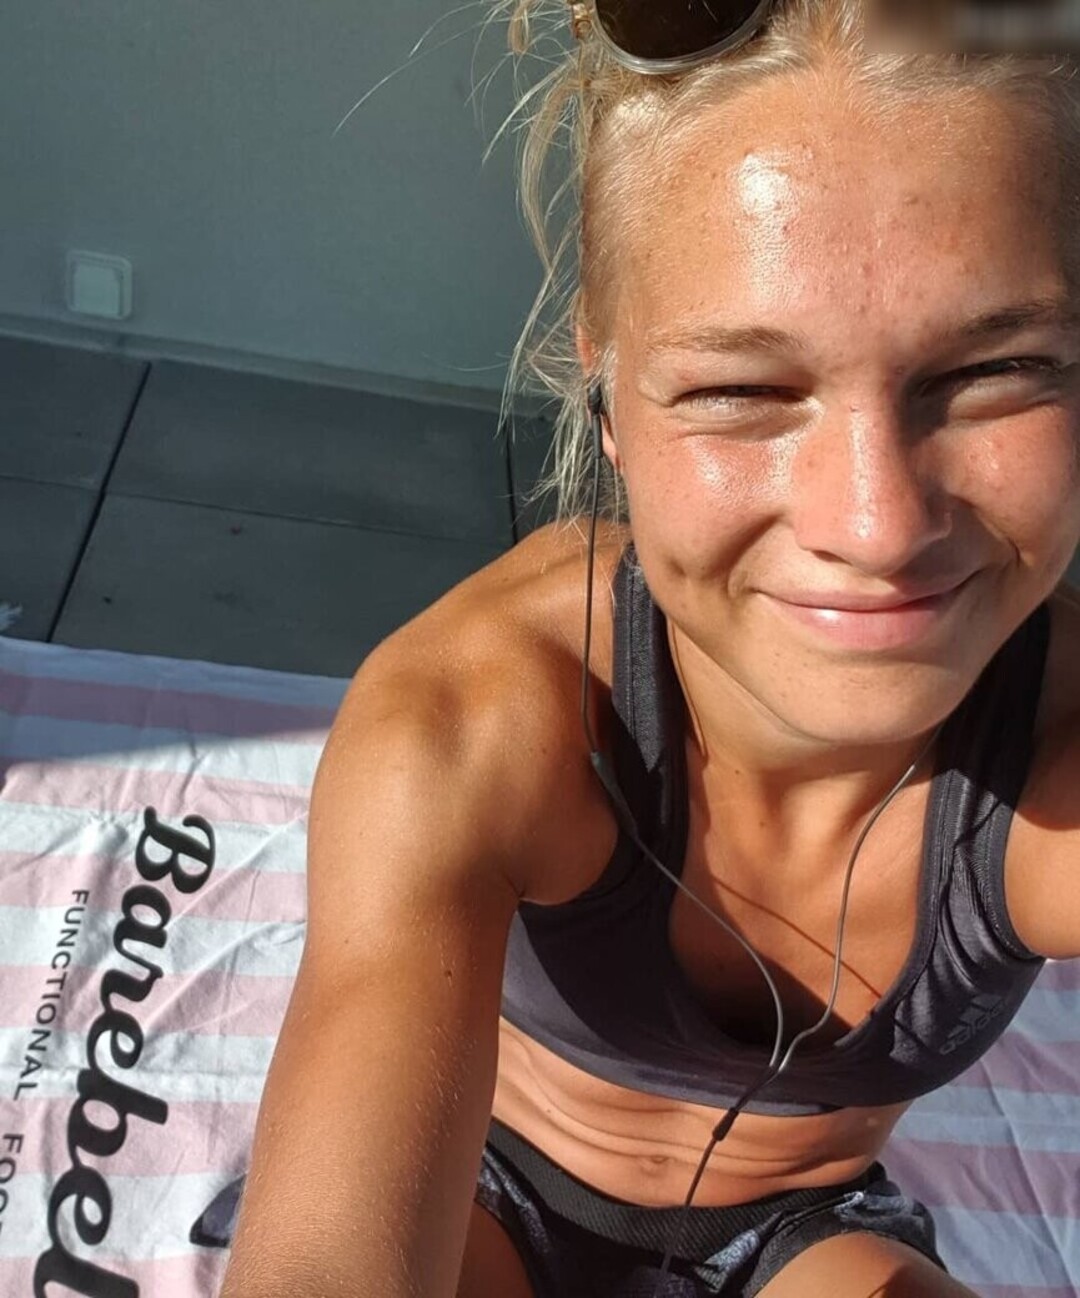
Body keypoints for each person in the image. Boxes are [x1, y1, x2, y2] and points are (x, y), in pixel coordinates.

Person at [218, 2, 1080, 1294]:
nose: (877, 525)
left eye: (996, 369)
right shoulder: (477, 714)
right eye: (742, 391)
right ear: (609, 396)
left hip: (803, 1224)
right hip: (482, 1179)